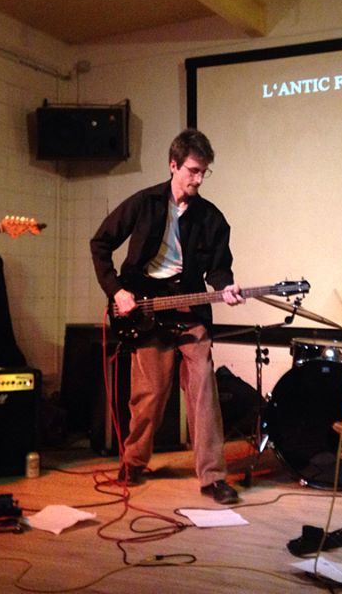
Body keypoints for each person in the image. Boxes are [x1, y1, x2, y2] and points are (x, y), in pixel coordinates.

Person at [90, 128, 244, 505]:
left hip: (189, 306)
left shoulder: (212, 218)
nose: (199, 178)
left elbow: (219, 269)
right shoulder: (143, 203)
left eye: (204, 172)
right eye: (193, 170)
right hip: (145, 306)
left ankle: (213, 477)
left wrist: (226, 287)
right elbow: (101, 242)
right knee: (150, 392)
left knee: (203, 386)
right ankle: (133, 462)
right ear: (173, 165)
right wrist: (117, 291)